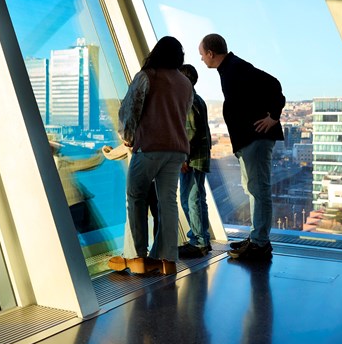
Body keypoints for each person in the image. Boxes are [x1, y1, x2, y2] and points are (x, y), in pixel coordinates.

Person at [109, 36, 193, 275]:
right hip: (176, 149)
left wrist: (127, 136)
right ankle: (168, 259)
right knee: (168, 202)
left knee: (135, 198)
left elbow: (129, 109)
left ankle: (136, 257)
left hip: (149, 148)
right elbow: (182, 115)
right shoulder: (185, 83)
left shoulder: (147, 76)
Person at [198, 33, 285, 261]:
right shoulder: (230, 69)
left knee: (258, 189)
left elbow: (274, 84)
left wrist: (273, 117)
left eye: (202, 55)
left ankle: (260, 243)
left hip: (256, 139)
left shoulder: (236, 67)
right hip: (249, 141)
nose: (202, 59)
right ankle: (257, 238)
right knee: (253, 188)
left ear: (211, 53)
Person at [178, 64, 212, 258]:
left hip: (192, 158)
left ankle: (198, 242)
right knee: (199, 199)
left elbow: (189, 132)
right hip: (200, 157)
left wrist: (183, 157)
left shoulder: (188, 101)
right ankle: (202, 239)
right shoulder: (198, 99)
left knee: (189, 199)